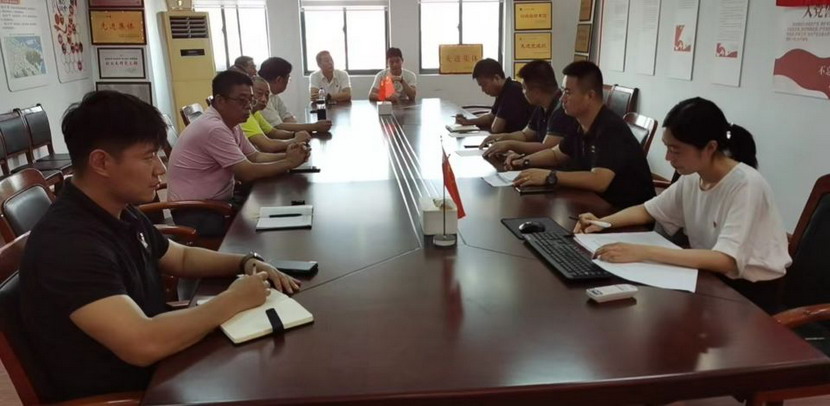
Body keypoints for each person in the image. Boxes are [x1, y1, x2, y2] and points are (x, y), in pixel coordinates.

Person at [19, 90, 300, 402]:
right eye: (148, 157)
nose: (160, 169)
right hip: (132, 390)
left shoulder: (117, 209)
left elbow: (179, 257)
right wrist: (233, 300)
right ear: (101, 162)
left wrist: (245, 261)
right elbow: (142, 344)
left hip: (168, 360)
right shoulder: (69, 245)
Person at [574, 97, 791, 311]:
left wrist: (642, 252)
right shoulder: (694, 177)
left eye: (676, 150)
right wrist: (602, 222)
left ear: (710, 147)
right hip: (709, 277)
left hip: (748, 295)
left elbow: (725, 260)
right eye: (667, 147)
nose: (668, 157)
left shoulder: (746, 185)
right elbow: (648, 210)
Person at [167, 70, 309, 237]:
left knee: (273, 208)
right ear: (220, 100)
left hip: (216, 203)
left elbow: (255, 156)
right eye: (242, 100)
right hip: (196, 212)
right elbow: (246, 172)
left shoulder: (231, 123)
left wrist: (290, 156)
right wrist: (288, 163)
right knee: (267, 228)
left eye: (250, 100)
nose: (249, 106)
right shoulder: (213, 128)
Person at [511, 61, 655, 209]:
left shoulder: (610, 128)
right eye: (563, 91)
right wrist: (524, 161)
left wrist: (550, 176)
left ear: (590, 96)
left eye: (568, 93)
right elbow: (556, 154)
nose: (562, 99)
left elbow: (599, 181)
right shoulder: (580, 122)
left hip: (625, 213)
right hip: (594, 204)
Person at [478, 60, 578, 158]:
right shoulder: (541, 107)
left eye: (524, 88)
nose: (523, 92)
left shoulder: (562, 110)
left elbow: (547, 148)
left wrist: (510, 145)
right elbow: (525, 134)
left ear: (536, 92)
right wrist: (500, 138)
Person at [455, 58, 533, 134]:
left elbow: (496, 128)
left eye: (484, 85)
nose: (483, 90)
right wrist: (468, 122)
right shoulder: (504, 90)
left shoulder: (513, 90)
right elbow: (491, 117)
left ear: (496, 78)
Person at [259, 57, 332, 134]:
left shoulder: (274, 95)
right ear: (279, 80)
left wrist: (302, 129)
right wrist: (314, 127)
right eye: (288, 78)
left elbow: (287, 117)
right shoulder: (261, 98)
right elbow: (277, 126)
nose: (288, 82)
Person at [242, 76, 311, 153]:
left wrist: (294, 134)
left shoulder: (255, 112)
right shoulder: (245, 117)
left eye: (267, 95)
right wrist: (295, 140)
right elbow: (268, 146)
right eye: (259, 93)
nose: (264, 99)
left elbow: (273, 132)